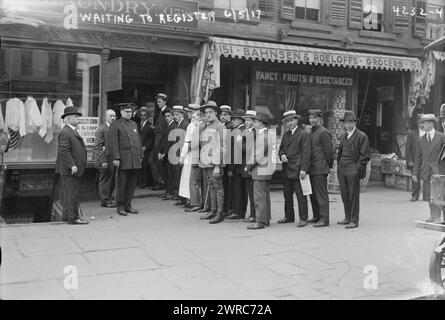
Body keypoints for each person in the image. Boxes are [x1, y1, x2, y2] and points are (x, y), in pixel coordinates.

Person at [107, 104, 144, 216]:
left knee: (132, 184)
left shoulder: (133, 124)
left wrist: (141, 155)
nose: (129, 113)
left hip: (134, 159)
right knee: (122, 184)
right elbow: (113, 143)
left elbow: (138, 140)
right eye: (127, 111)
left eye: (130, 111)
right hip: (123, 159)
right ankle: (120, 206)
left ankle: (128, 205)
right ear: (121, 112)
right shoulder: (115, 124)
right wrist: (116, 158)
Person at [336, 111, 370, 229]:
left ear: (354, 123)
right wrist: (339, 165)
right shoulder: (344, 136)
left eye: (351, 122)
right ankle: (347, 217)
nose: (348, 125)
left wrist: (357, 169)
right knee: (344, 194)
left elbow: (365, 155)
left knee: (353, 195)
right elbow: (340, 152)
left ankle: (354, 220)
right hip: (342, 168)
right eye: (346, 122)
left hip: (353, 168)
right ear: (344, 124)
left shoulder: (361, 136)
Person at [278, 110, 311, 228]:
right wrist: (282, 155)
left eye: (292, 120)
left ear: (297, 120)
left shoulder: (303, 134)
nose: (289, 123)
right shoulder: (286, 135)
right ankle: (289, 216)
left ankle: (303, 218)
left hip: (298, 169)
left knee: (301, 195)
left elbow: (306, 153)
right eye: (287, 121)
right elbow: (281, 149)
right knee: (287, 195)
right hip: (286, 169)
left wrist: (304, 169)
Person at [55, 106, 88, 225]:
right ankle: (73, 218)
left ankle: (68, 217)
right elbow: (64, 151)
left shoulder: (71, 131)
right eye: (75, 116)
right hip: (70, 170)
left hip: (73, 170)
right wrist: (72, 165)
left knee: (71, 194)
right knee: (71, 194)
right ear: (68, 119)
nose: (78, 118)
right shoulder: (65, 132)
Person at [245, 112, 275, 230]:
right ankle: (266, 218)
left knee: (259, 197)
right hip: (265, 170)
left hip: (260, 170)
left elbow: (257, 156)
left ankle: (260, 221)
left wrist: (248, 167)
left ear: (261, 123)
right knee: (265, 196)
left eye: (256, 121)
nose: (254, 123)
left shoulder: (262, 136)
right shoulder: (266, 135)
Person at [413, 114, 445, 223]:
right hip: (426, 171)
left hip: (438, 172)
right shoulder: (421, 139)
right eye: (422, 123)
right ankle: (433, 216)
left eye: (424, 122)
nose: (422, 125)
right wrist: (415, 172)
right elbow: (417, 157)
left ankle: (440, 218)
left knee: (439, 195)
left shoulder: (441, 137)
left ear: (431, 123)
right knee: (429, 195)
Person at [199, 101, 226, 224]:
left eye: (210, 112)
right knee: (211, 186)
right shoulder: (205, 126)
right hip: (205, 162)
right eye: (206, 112)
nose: (208, 114)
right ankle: (213, 210)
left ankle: (220, 212)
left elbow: (222, 147)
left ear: (216, 113)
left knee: (218, 187)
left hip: (214, 163)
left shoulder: (220, 127)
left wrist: (217, 165)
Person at [307, 109, 334, 227]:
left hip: (320, 168)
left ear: (320, 119)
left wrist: (328, 166)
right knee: (312, 194)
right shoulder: (311, 131)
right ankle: (316, 216)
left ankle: (324, 219)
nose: (312, 120)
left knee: (321, 195)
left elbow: (329, 152)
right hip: (312, 168)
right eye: (310, 118)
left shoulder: (324, 132)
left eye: (314, 118)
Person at [226, 109, 247, 220]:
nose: (232, 121)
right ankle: (241, 211)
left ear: (239, 120)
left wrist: (231, 168)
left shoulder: (238, 132)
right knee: (242, 190)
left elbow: (236, 151)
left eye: (233, 119)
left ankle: (237, 212)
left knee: (237, 189)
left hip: (237, 166)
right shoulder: (243, 130)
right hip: (242, 166)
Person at [93, 109, 116, 208]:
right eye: (111, 116)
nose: (113, 118)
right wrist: (103, 161)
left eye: (114, 116)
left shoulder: (114, 128)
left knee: (111, 180)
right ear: (106, 117)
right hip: (104, 159)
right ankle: (105, 201)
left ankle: (109, 198)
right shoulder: (101, 129)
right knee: (105, 180)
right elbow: (98, 147)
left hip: (112, 159)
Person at [181, 110, 202, 212]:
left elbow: (187, 143)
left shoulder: (191, 126)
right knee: (196, 181)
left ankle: (193, 202)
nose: (192, 119)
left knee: (191, 180)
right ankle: (195, 201)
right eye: (192, 117)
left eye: (194, 117)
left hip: (192, 156)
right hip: (199, 156)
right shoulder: (201, 126)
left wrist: (182, 156)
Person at [149, 93, 168, 191]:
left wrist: (162, 148)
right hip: (156, 142)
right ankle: (160, 181)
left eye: (160, 101)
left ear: (165, 102)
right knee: (152, 161)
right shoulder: (160, 112)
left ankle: (161, 182)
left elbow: (164, 131)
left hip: (160, 143)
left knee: (156, 163)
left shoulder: (166, 113)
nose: (158, 103)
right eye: (157, 102)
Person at [171, 105, 189, 206]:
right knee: (177, 176)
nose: (175, 116)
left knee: (182, 176)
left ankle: (182, 198)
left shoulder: (185, 125)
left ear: (182, 115)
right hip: (176, 153)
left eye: (177, 114)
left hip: (182, 154)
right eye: (174, 115)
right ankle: (179, 196)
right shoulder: (176, 124)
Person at [159, 107, 178, 201]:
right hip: (165, 153)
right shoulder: (167, 125)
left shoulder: (174, 126)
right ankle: (168, 191)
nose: (167, 118)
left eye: (169, 116)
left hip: (170, 153)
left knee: (171, 174)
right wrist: (160, 152)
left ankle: (171, 192)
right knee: (166, 174)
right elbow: (163, 141)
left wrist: (164, 153)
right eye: (165, 116)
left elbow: (170, 142)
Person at [405, 114, 425, 202]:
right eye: (420, 122)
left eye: (423, 122)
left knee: (427, 178)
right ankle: (415, 195)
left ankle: (427, 196)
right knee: (415, 177)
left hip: (426, 160)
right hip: (414, 160)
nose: (422, 124)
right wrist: (409, 160)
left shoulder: (429, 133)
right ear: (417, 123)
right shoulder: (412, 134)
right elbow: (407, 148)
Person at [242, 110, 257, 223]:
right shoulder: (246, 132)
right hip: (246, 165)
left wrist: (239, 142)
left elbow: (248, 148)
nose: (246, 122)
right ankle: (252, 213)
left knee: (253, 193)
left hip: (251, 166)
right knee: (249, 191)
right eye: (245, 120)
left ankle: (254, 215)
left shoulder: (254, 133)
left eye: (248, 120)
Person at [219, 105, 233, 217]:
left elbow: (229, 147)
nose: (223, 116)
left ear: (229, 116)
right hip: (223, 159)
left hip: (227, 160)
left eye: (225, 115)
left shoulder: (230, 127)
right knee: (223, 185)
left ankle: (227, 208)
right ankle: (225, 208)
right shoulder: (223, 126)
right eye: (221, 114)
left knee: (227, 186)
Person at [138, 107, 155, 189]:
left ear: (147, 116)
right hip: (138, 147)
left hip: (146, 149)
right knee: (139, 165)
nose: (143, 117)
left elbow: (151, 138)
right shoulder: (137, 124)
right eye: (141, 115)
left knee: (145, 165)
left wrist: (146, 146)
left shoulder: (150, 125)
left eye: (144, 115)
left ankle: (145, 182)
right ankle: (140, 181)